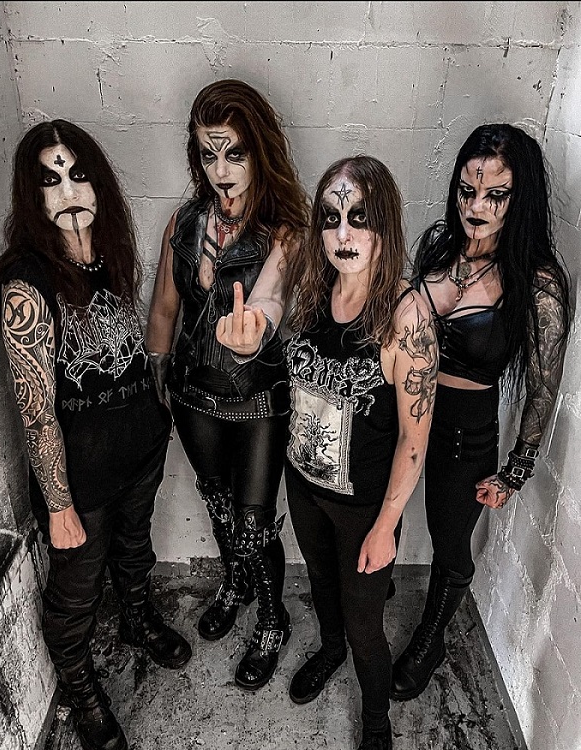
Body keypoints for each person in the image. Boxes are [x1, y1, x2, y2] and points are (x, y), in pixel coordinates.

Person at [0, 120, 192, 750]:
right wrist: (57, 506)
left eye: (78, 174)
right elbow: (35, 412)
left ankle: (136, 618)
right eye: (51, 180)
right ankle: (81, 691)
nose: (69, 190)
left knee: (134, 551)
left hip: (139, 448)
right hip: (78, 477)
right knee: (74, 594)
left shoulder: (106, 249)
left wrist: (158, 412)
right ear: (32, 195)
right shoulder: (26, 283)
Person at [390, 123, 571, 703]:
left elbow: (544, 386)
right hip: (398, 410)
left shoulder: (538, 281)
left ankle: (431, 639)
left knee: (449, 542)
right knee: (380, 510)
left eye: (497, 195)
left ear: (522, 199)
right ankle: (375, 588)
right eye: (468, 190)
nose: (476, 206)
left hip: (464, 430)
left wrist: (516, 469)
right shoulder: (439, 245)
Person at [145, 79, 309, 691]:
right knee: (217, 504)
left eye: (234, 153)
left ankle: (272, 619)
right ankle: (237, 583)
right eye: (208, 154)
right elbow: (165, 307)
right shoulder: (185, 220)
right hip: (193, 396)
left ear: (258, 151)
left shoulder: (285, 231)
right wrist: (158, 375)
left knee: (255, 522)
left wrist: (253, 329)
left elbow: (270, 295)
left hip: (258, 399)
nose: (221, 171)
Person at [283, 155, 438, 750]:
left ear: (384, 226)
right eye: (331, 218)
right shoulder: (310, 291)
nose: (342, 234)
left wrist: (386, 526)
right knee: (322, 587)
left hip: (365, 508)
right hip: (304, 487)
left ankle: (376, 724)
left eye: (359, 218)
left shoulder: (407, 317)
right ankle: (329, 651)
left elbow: (413, 440)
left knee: (365, 625)